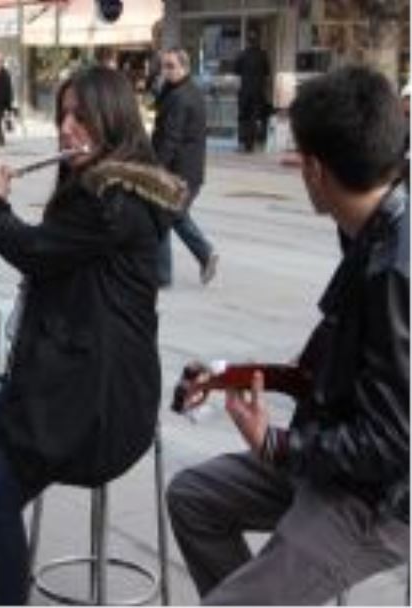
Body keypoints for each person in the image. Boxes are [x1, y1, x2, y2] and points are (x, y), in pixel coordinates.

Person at [166, 65, 409, 605]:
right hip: (338, 458)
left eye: (300, 155)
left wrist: (278, 445)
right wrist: (232, 376)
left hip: (381, 500)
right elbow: (331, 364)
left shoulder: (396, 267)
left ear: (316, 170)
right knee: (193, 497)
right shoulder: (370, 226)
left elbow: (394, 443)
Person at [0, 65, 186, 605]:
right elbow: (53, 255)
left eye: (81, 116)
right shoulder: (100, 186)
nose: (66, 128)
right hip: (60, 372)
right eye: (63, 115)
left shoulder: (114, 196)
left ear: (113, 119)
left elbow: (36, 251)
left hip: (100, 397)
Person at [152, 48, 218, 287]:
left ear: (185, 67)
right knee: (173, 215)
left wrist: (157, 169)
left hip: (179, 171)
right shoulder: (182, 91)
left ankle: (164, 274)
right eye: (164, 66)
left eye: (171, 66)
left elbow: (171, 138)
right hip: (186, 170)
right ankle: (204, 255)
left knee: (163, 215)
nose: (166, 71)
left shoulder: (180, 97)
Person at [234, 29, 270, 153]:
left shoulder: (242, 54)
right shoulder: (263, 55)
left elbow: (236, 71)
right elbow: (267, 72)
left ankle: (241, 142)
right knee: (253, 118)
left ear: (247, 41)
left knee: (243, 117)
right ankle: (251, 144)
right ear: (258, 41)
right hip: (258, 92)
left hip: (244, 91)